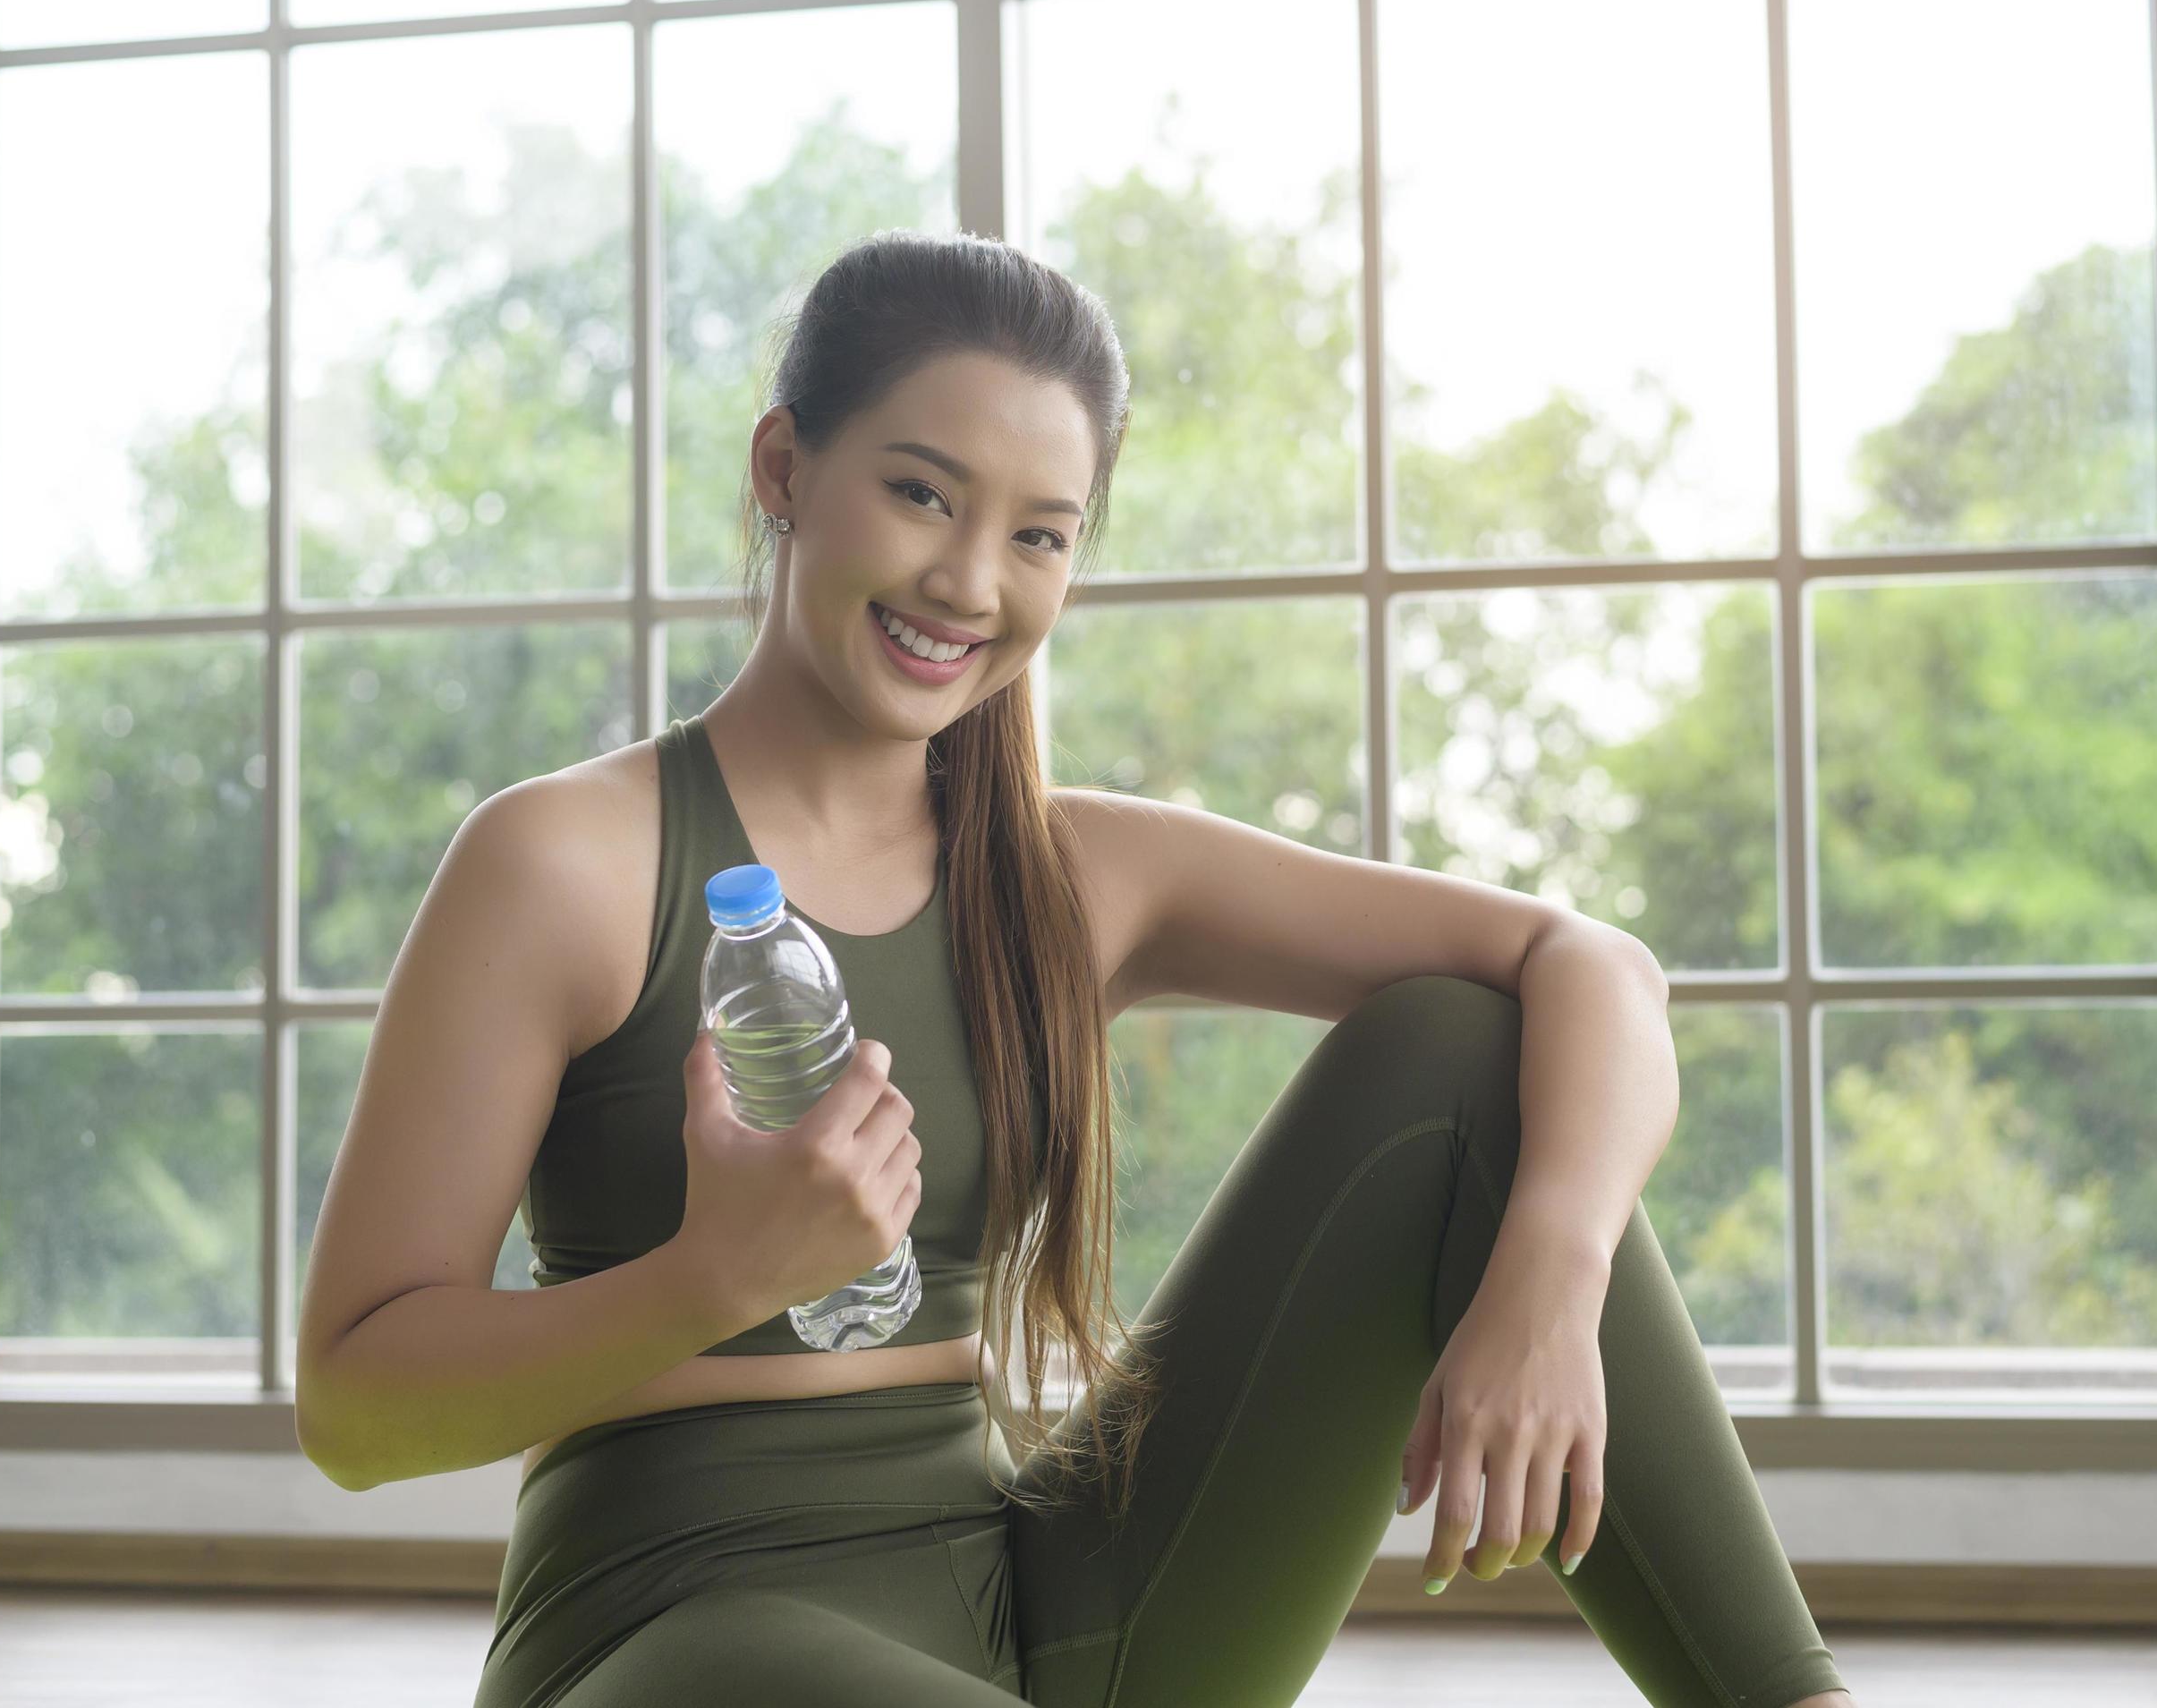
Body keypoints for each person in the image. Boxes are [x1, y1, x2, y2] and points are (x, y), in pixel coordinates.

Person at [295, 228, 1855, 1708]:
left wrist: (1547, 1279)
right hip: (678, 1614)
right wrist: (716, 1280)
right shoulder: (563, 862)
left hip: (1040, 1591)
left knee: (1456, 1048)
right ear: (784, 469)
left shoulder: (1069, 873)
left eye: (1037, 534)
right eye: (921, 494)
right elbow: (355, 1410)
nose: (971, 585)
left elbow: (1591, 965)